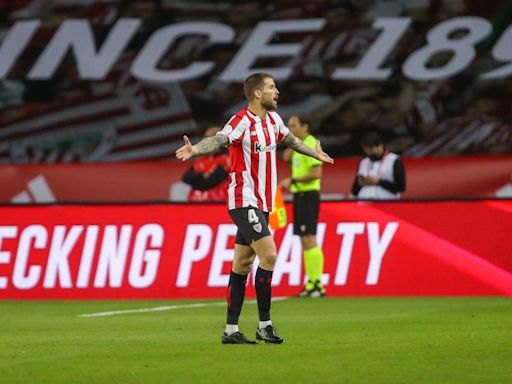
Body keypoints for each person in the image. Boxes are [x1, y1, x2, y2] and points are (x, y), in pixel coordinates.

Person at [176, 72, 334, 345]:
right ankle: (265, 325)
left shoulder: (273, 120)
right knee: (269, 255)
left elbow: (291, 141)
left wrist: (314, 153)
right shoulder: (240, 121)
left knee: (242, 264)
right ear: (258, 94)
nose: (277, 91)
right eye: (272, 87)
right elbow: (220, 140)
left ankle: (230, 331)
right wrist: (196, 150)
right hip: (243, 199)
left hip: (263, 203)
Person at [280, 114, 326, 298]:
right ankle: (311, 283)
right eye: (288, 126)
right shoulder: (298, 144)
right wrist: (292, 141)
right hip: (299, 194)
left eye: (293, 125)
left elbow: (316, 173)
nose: (289, 129)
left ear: (305, 126)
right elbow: (286, 158)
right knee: (304, 240)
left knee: (310, 238)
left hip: (308, 194)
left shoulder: (311, 143)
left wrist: (293, 180)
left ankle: (318, 283)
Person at [351, 132, 406, 199]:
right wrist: (360, 183)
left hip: (386, 202)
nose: (369, 153)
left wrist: (379, 182)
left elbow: (401, 187)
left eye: (371, 149)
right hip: (364, 202)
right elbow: (354, 191)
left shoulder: (394, 160)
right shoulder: (364, 162)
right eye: (366, 150)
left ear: (380, 146)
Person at [181, 126, 230, 201]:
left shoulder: (226, 160)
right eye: (205, 137)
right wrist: (202, 175)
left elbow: (209, 182)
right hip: (194, 202)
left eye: (209, 137)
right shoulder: (201, 160)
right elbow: (186, 178)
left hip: (216, 203)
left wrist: (196, 181)